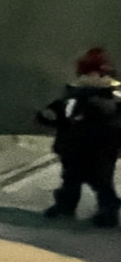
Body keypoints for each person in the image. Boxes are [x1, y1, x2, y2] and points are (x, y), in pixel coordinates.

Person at [36, 47, 121, 227]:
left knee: (99, 181)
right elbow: (59, 115)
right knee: (75, 180)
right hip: (78, 148)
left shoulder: (105, 99)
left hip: (97, 150)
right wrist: (49, 116)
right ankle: (68, 206)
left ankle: (106, 211)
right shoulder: (74, 97)